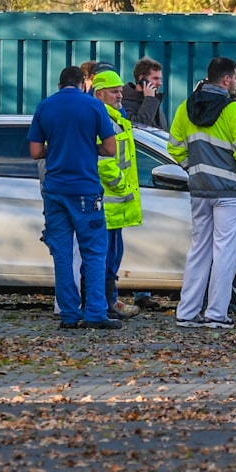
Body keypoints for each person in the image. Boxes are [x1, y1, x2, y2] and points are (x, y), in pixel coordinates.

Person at [167, 58, 236, 328]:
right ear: (227, 80)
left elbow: (174, 147)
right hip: (229, 192)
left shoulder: (185, 107)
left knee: (199, 251)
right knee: (226, 253)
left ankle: (187, 311)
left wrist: (193, 169)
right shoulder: (234, 111)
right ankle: (216, 313)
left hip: (199, 190)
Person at [32, 65, 124, 329]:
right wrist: (86, 146)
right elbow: (109, 148)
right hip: (85, 188)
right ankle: (95, 312)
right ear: (84, 83)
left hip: (55, 189)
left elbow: (36, 151)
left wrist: (59, 147)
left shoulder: (45, 107)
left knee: (61, 253)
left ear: (60, 84)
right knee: (94, 251)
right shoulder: (93, 106)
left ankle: (69, 314)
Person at [89, 69, 142, 319]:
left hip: (117, 203)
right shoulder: (103, 118)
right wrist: (122, 185)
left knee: (113, 256)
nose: (120, 94)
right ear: (100, 94)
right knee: (106, 257)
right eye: (114, 91)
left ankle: (110, 301)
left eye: (120, 90)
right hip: (110, 201)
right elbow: (104, 161)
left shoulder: (117, 117)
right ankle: (104, 303)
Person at [122, 58, 167, 129]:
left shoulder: (154, 104)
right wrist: (149, 99)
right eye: (155, 78)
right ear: (142, 78)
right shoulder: (124, 104)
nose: (160, 83)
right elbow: (141, 128)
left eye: (160, 79)